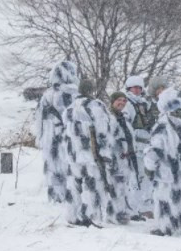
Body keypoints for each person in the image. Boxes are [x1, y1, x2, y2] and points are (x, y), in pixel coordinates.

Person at [64, 79, 127, 226]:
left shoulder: (70, 107)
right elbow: (103, 131)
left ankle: (73, 216)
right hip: (91, 155)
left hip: (73, 155)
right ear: (91, 90)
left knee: (74, 187)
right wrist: (105, 153)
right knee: (93, 187)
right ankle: (93, 217)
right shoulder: (96, 106)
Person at [144, 89, 181, 237]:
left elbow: (155, 149)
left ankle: (166, 226)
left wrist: (149, 167)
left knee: (164, 198)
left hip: (166, 169)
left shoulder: (163, 124)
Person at [35, 60, 79, 203]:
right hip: (59, 135)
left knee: (59, 166)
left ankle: (61, 195)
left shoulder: (54, 94)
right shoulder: (63, 94)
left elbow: (40, 119)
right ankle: (61, 195)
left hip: (56, 136)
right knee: (61, 166)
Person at [109, 91, 144, 221]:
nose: (122, 103)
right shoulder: (109, 118)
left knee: (124, 186)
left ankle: (125, 210)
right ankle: (115, 213)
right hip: (115, 158)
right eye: (119, 100)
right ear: (112, 101)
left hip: (126, 158)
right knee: (115, 186)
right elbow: (108, 139)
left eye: (124, 101)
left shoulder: (124, 118)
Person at [123, 75, 154, 212]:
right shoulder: (128, 104)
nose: (137, 90)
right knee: (134, 177)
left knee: (145, 176)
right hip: (134, 146)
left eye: (139, 88)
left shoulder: (144, 104)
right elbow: (126, 126)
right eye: (134, 88)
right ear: (129, 88)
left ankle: (144, 205)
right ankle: (133, 207)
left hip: (145, 146)